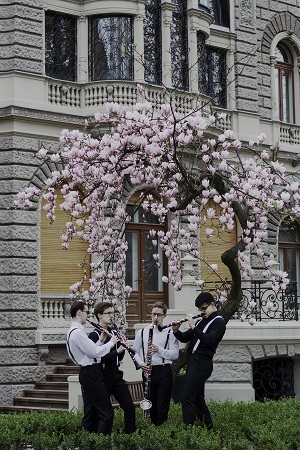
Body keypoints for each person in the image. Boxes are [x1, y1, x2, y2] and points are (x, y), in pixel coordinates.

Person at [66, 300, 124, 435]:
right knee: (107, 412)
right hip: (91, 373)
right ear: (79, 313)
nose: (88, 316)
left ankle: (87, 442)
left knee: (90, 412)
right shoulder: (78, 333)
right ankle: (102, 444)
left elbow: (88, 351)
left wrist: (100, 341)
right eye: (86, 312)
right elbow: (94, 353)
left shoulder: (72, 331)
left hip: (87, 373)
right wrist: (111, 343)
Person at [172, 292, 226, 430]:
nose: (202, 312)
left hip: (203, 363)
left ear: (213, 304)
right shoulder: (202, 320)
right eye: (200, 310)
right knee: (198, 400)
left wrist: (194, 327)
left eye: (204, 308)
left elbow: (209, 341)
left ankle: (190, 432)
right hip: (193, 362)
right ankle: (209, 430)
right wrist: (176, 331)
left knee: (186, 398)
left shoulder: (219, 322)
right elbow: (185, 338)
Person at [88, 302, 136, 434]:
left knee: (129, 407)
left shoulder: (114, 333)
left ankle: (130, 437)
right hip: (102, 375)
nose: (111, 316)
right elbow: (97, 358)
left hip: (116, 374)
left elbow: (118, 358)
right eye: (108, 313)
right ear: (99, 315)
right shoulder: (94, 335)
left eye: (112, 313)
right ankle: (101, 440)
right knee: (104, 412)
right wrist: (116, 350)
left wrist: (123, 348)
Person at [133, 301, 179, 426]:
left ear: (164, 316)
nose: (155, 318)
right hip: (148, 371)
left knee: (162, 404)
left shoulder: (170, 333)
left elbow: (175, 354)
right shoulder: (142, 332)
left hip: (164, 371)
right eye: (153, 314)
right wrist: (141, 363)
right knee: (150, 403)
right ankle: (152, 430)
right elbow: (134, 351)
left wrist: (160, 350)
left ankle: (161, 429)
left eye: (159, 315)